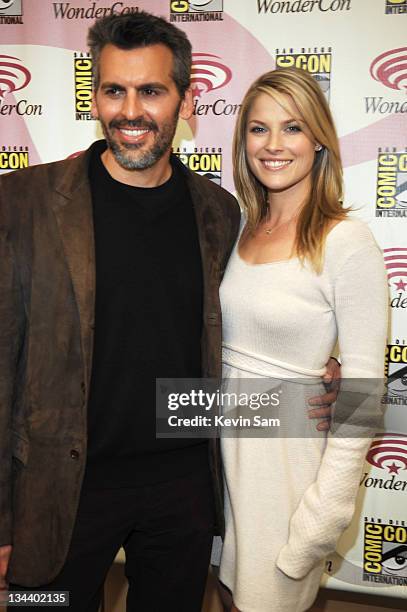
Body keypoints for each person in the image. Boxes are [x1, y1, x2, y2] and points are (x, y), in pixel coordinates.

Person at [0, 13, 338, 612]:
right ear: (96, 97)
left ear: (186, 101)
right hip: (60, 492)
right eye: (114, 90)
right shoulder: (23, 202)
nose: (131, 110)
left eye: (151, 91)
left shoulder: (219, 212)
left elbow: (247, 335)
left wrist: (316, 377)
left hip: (181, 490)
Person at [218, 68, 388, 612]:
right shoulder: (239, 227)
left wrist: (323, 519)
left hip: (286, 480)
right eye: (258, 128)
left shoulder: (347, 241)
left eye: (291, 128)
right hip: (226, 469)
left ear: (318, 139)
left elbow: (363, 392)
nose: (272, 145)